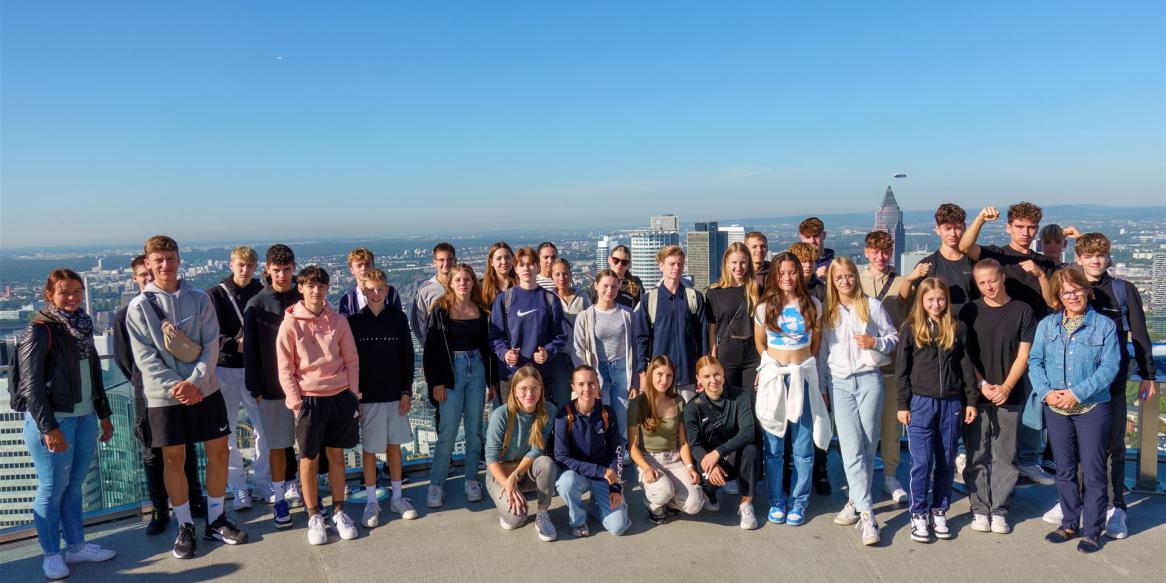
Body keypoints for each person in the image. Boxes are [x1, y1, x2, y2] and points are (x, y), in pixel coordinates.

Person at [126, 236, 248, 559]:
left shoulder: (200, 298)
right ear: (148, 264)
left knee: (219, 452)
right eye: (158, 259)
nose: (165, 264)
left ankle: (216, 518)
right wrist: (179, 387)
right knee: (173, 459)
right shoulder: (138, 308)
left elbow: (211, 344)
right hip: (165, 398)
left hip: (205, 390)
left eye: (170, 257)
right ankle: (184, 525)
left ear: (180, 260)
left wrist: (195, 382)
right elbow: (145, 358)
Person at [1047, 233, 1158, 538]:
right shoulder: (1070, 288)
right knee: (1079, 450)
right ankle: (1078, 504)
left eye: (1102, 255)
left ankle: (1115, 507)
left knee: (1112, 448)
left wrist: (1149, 374)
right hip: (1070, 386)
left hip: (1112, 384)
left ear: (1108, 257)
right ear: (1079, 258)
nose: (1096, 260)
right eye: (1090, 255)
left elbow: (1139, 333)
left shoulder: (1123, 290)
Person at [15, 270, 117, 580]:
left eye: (77, 291)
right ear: (49, 295)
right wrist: (49, 428)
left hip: (84, 417)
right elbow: (31, 387)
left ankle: (76, 546)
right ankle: (51, 554)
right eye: (64, 292)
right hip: (56, 421)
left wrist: (103, 414)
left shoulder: (83, 326)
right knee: (50, 489)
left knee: (74, 488)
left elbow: (93, 377)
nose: (72, 297)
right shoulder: (39, 330)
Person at [959, 202, 1056, 486]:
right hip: (996, 336)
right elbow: (966, 246)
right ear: (1009, 227)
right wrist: (979, 218)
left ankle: (1026, 461)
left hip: (1033, 341)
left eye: (1031, 228)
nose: (1025, 233)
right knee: (989, 398)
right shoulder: (997, 255)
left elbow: (1052, 302)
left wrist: (1039, 275)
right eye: (1020, 227)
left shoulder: (1045, 262)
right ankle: (978, 457)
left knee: (1028, 402)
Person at [1027, 269, 1120, 554]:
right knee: (1065, 470)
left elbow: (1110, 367)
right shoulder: (1047, 325)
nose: (1073, 296)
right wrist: (1046, 392)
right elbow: (1035, 361)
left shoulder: (1104, 326)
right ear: (1058, 296)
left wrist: (1077, 393)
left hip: (1092, 406)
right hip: (1056, 407)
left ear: (1086, 290)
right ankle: (1069, 523)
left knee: (1093, 471)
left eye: (1077, 289)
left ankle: (1092, 530)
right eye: (1066, 292)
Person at [114, 255, 204, 536]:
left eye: (148, 274)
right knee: (153, 452)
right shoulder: (127, 312)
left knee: (186, 446)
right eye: (142, 275)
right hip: (148, 392)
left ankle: (192, 500)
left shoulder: (172, 307)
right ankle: (159, 509)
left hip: (183, 386)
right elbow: (125, 359)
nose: (147, 279)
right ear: (135, 277)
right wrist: (147, 380)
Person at [276, 266, 362, 545]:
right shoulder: (290, 323)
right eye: (310, 286)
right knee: (308, 459)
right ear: (300, 288)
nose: (316, 291)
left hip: (339, 396)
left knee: (336, 456)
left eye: (321, 286)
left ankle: (338, 510)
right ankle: (313, 515)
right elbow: (285, 368)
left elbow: (351, 361)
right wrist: (296, 403)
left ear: (327, 289)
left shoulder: (339, 322)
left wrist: (353, 395)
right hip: (309, 399)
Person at [820, 257, 897, 545]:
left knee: (867, 445)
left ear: (856, 277)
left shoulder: (872, 306)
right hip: (839, 384)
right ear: (832, 281)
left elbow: (893, 337)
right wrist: (824, 387)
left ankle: (854, 501)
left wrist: (875, 342)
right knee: (850, 448)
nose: (845, 281)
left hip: (869, 380)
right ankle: (868, 515)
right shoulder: (828, 313)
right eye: (839, 277)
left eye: (849, 276)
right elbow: (823, 354)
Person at [896, 278, 978, 543]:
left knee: (946, 460)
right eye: (930, 299)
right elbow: (902, 371)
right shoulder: (910, 329)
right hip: (921, 403)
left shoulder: (957, 327)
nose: (936, 304)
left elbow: (966, 367)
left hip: (952, 402)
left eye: (940, 299)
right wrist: (902, 405)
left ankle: (939, 509)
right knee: (922, 462)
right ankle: (918, 513)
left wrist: (971, 401)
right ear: (921, 301)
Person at [958, 259, 1036, 535]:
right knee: (976, 452)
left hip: (1010, 394)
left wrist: (1005, 387)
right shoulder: (970, 311)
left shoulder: (1022, 310)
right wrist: (982, 384)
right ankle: (979, 508)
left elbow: (1023, 354)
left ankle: (1000, 509)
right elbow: (964, 354)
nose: (988, 287)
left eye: (992, 280)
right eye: (982, 283)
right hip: (976, 394)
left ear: (1002, 277)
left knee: (1006, 455)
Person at [754, 252, 832, 527]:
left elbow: (816, 344)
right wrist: (770, 368)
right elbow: (760, 343)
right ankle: (777, 499)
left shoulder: (813, 305)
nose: (787, 278)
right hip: (776, 378)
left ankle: (799, 500)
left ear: (799, 273)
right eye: (782, 273)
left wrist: (805, 368)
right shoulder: (764, 307)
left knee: (803, 445)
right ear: (774, 275)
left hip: (803, 378)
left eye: (792, 272)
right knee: (774, 445)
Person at [423, 264, 498, 508]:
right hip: (451, 371)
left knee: (476, 428)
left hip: (476, 367)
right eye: (458, 280)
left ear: (473, 283)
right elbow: (431, 350)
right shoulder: (441, 310)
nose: (463, 283)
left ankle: (471, 479)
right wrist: (436, 382)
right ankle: (436, 483)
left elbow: (488, 349)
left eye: (467, 279)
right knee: (448, 430)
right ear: (450, 283)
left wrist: (491, 381)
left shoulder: (482, 311)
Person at [348, 268, 417, 528]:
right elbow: (350, 363)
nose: (376, 294)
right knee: (369, 450)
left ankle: (397, 497)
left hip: (394, 394)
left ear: (387, 291)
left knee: (393, 447)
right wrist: (355, 397)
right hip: (367, 397)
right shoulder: (354, 321)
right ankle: (371, 502)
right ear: (363, 291)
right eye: (371, 289)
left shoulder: (398, 319)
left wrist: (406, 391)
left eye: (381, 289)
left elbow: (407, 357)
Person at [242, 244, 304, 528]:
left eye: (287, 269)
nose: (281, 275)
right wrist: (255, 388)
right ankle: (280, 497)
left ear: (294, 268)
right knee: (278, 446)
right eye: (276, 270)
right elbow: (251, 350)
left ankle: (306, 493)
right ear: (268, 269)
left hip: (306, 388)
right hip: (272, 388)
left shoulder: (305, 297)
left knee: (307, 445)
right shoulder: (256, 304)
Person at [206, 245, 266, 511]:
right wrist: (235, 344)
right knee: (227, 430)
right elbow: (208, 335)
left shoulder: (261, 291)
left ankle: (263, 482)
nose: (245, 270)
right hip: (226, 366)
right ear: (231, 264)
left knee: (263, 428)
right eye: (241, 265)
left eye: (250, 266)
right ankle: (239, 487)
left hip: (254, 367)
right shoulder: (215, 295)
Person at [860, 231, 916, 504]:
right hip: (860, 367)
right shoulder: (854, 281)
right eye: (875, 251)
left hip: (893, 365)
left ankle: (890, 475)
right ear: (866, 252)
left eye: (885, 251)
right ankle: (863, 478)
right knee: (862, 428)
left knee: (892, 426)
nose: (881, 257)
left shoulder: (904, 283)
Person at [552, 365, 631, 537]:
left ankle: (596, 505)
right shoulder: (564, 416)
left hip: (604, 476)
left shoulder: (606, 413)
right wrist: (597, 470)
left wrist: (616, 487)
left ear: (598, 385)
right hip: (579, 474)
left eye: (591, 383)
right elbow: (561, 457)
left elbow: (616, 452)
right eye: (581, 384)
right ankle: (578, 521)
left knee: (618, 528)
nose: (587, 389)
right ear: (573, 387)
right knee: (566, 483)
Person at [683, 356, 761, 530]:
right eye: (707, 376)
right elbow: (694, 445)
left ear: (723, 373)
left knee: (752, 450)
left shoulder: (741, 396)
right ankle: (710, 493)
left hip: (731, 454)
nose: (713, 380)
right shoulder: (691, 408)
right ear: (698, 379)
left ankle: (746, 503)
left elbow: (748, 433)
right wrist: (709, 463)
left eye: (717, 374)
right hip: (710, 460)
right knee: (707, 485)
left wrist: (718, 453)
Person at [628, 356, 707, 524]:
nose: (664, 380)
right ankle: (653, 505)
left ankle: (671, 501)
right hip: (649, 458)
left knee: (695, 505)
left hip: (673, 457)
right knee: (664, 490)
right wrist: (647, 468)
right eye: (659, 374)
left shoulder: (678, 401)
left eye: (669, 375)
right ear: (651, 374)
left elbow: (683, 442)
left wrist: (690, 467)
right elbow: (633, 447)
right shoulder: (637, 404)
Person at [484, 365, 559, 541]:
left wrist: (516, 476)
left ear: (541, 390)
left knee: (546, 463)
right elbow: (491, 457)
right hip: (501, 472)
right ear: (515, 391)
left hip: (525, 471)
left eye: (534, 388)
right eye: (523, 389)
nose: (529, 394)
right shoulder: (501, 415)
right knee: (516, 519)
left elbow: (537, 449)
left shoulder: (548, 411)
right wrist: (507, 482)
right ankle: (509, 502)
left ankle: (542, 513)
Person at [489, 247, 568, 403]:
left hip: (541, 375)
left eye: (531, 264)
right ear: (516, 269)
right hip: (511, 375)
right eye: (521, 265)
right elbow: (495, 336)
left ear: (538, 267)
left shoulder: (550, 299)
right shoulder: (505, 299)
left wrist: (548, 352)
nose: (526, 268)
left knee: (540, 425)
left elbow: (560, 336)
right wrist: (505, 354)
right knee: (512, 424)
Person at [633, 245, 709, 402]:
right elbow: (642, 339)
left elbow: (703, 338)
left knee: (689, 423)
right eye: (672, 264)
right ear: (661, 266)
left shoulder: (695, 298)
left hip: (688, 376)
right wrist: (642, 372)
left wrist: (702, 371)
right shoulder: (650, 300)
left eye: (680, 264)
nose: (677, 268)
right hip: (660, 377)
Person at [572, 270, 636, 452]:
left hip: (622, 369)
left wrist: (637, 379)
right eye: (605, 286)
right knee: (601, 412)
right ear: (596, 286)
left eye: (614, 286)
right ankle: (603, 449)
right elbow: (578, 350)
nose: (610, 290)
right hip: (598, 370)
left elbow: (635, 347)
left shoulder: (628, 314)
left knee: (622, 414)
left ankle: (621, 449)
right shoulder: (585, 316)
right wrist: (585, 380)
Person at [785, 242, 830, 495]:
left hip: (815, 362)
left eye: (812, 261)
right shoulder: (782, 294)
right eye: (802, 261)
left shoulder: (822, 293)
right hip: (789, 364)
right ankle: (792, 471)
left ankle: (820, 472)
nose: (808, 266)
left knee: (818, 418)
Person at [706, 243, 761, 391]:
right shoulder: (714, 292)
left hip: (753, 352)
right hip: (727, 351)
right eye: (734, 263)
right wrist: (713, 357)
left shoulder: (758, 290)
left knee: (752, 400)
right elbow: (712, 328)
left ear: (748, 262)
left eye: (743, 262)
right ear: (726, 263)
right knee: (728, 398)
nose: (739, 267)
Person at [550, 258, 591, 406]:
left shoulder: (582, 296)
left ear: (571, 274)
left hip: (581, 353)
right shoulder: (548, 298)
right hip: (559, 356)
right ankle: (564, 428)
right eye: (558, 274)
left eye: (565, 274)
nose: (562, 278)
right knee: (562, 398)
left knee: (585, 396)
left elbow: (591, 325)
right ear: (552, 276)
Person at [411, 242, 457, 345]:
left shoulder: (463, 286)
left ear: (455, 261)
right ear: (434, 262)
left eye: (450, 259)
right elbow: (417, 324)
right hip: (437, 347)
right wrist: (428, 347)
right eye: (441, 260)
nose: (446, 263)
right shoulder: (425, 290)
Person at [337, 247, 402, 316]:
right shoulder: (347, 300)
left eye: (367, 264)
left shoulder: (390, 293)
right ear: (351, 270)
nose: (364, 268)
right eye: (359, 265)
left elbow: (399, 320)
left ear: (373, 266)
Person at [588, 244, 644, 310]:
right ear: (609, 260)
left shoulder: (636, 284)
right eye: (616, 260)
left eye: (624, 262)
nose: (619, 264)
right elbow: (588, 307)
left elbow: (640, 311)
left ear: (629, 264)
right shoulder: (599, 283)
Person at [481, 241, 516, 308]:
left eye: (507, 257)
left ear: (513, 259)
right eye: (499, 258)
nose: (504, 262)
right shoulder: (482, 286)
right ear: (491, 262)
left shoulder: (520, 284)